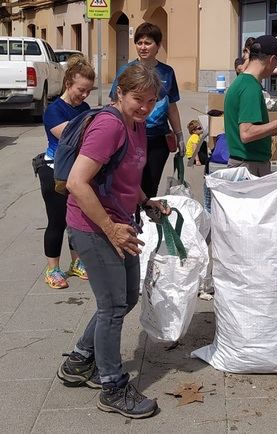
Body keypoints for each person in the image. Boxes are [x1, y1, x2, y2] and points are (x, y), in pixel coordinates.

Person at [58, 63, 169, 419]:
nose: (145, 107)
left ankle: (79, 361)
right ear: (120, 92)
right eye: (138, 99)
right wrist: (109, 228)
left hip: (120, 222)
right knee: (112, 308)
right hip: (94, 227)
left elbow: (127, 169)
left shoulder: (136, 125)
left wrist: (145, 200)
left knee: (126, 297)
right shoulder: (109, 125)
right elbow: (77, 182)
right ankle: (112, 386)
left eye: (151, 101)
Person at [109, 22, 183, 199]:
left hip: (157, 140)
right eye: (139, 42)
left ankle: (146, 223)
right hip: (130, 138)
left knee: (150, 186)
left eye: (148, 43)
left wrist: (179, 135)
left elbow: (171, 105)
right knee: (129, 185)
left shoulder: (167, 72)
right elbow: (115, 103)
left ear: (158, 46)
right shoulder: (126, 70)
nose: (143, 47)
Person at [40, 54, 95, 289]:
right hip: (54, 170)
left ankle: (76, 263)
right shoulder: (54, 110)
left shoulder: (85, 108)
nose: (84, 95)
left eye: (88, 91)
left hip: (79, 173)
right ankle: (52, 268)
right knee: (57, 222)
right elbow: (72, 138)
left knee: (77, 220)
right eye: (80, 89)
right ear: (68, 83)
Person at [224, 34, 277, 177]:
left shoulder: (241, 83)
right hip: (249, 166)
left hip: (244, 163)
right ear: (272, 60)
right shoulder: (250, 88)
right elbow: (246, 133)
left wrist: (273, 129)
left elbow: (247, 128)